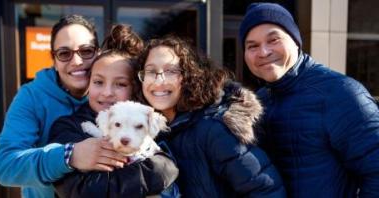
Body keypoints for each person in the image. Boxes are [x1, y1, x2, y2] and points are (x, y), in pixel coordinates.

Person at [238, 2, 379, 197]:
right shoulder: (259, 101)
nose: (263, 52)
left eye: (273, 40)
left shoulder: (340, 94)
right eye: (252, 46)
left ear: (296, 41)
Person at [136, 35, 286, 197]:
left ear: (190, 75)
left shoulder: (214, 128)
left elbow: (266, 190)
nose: (159, 81)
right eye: (151, 71)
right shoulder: (149, 132)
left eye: (171, 71)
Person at [0, 15, 124, 198]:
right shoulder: (31, 97)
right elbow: (6, 167)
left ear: (98, 53)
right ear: (53, 60)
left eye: (86, 51)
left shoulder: (114, 94)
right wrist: (69, 155)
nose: (77, 61)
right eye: (64, 54)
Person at [48, 24, 179, 198]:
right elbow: (80, 191)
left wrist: (163, 168)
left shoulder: (146, 118)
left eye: (121, 84)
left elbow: (167, 165)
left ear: (134, 88)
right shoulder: (68, 127)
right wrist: (155, 172)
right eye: (98, 82)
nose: (107, 92)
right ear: (88, 84)